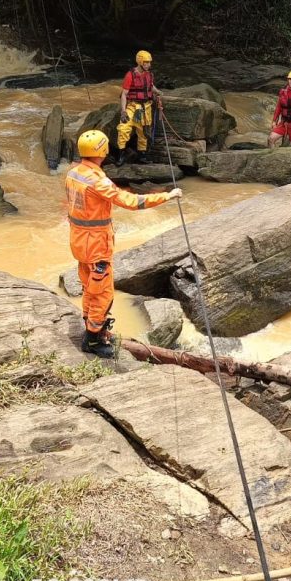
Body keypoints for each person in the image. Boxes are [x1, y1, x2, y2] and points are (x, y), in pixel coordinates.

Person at [66, 129, 182, 357]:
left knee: (89, 286)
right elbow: (130, 201)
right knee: (102, 293)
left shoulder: (73, 174)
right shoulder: (97, 181)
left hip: (78, 241)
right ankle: (92, 340)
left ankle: (91, 328)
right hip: (96, 244)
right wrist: (166, 196)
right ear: (102, 150)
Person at [117, 49, 162, 164]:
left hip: (145, 108)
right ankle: (121, 154)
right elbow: (124, 94)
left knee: (143, 132)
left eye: (149, 62)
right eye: (146, 62)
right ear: (140, 62)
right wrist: (123, 111)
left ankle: (142, 156)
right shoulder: (130, 75)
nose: (148, 64)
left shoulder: (149, 74)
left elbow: (151, 87)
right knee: (124, 128)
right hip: (133, 106)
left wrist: (159, 93)